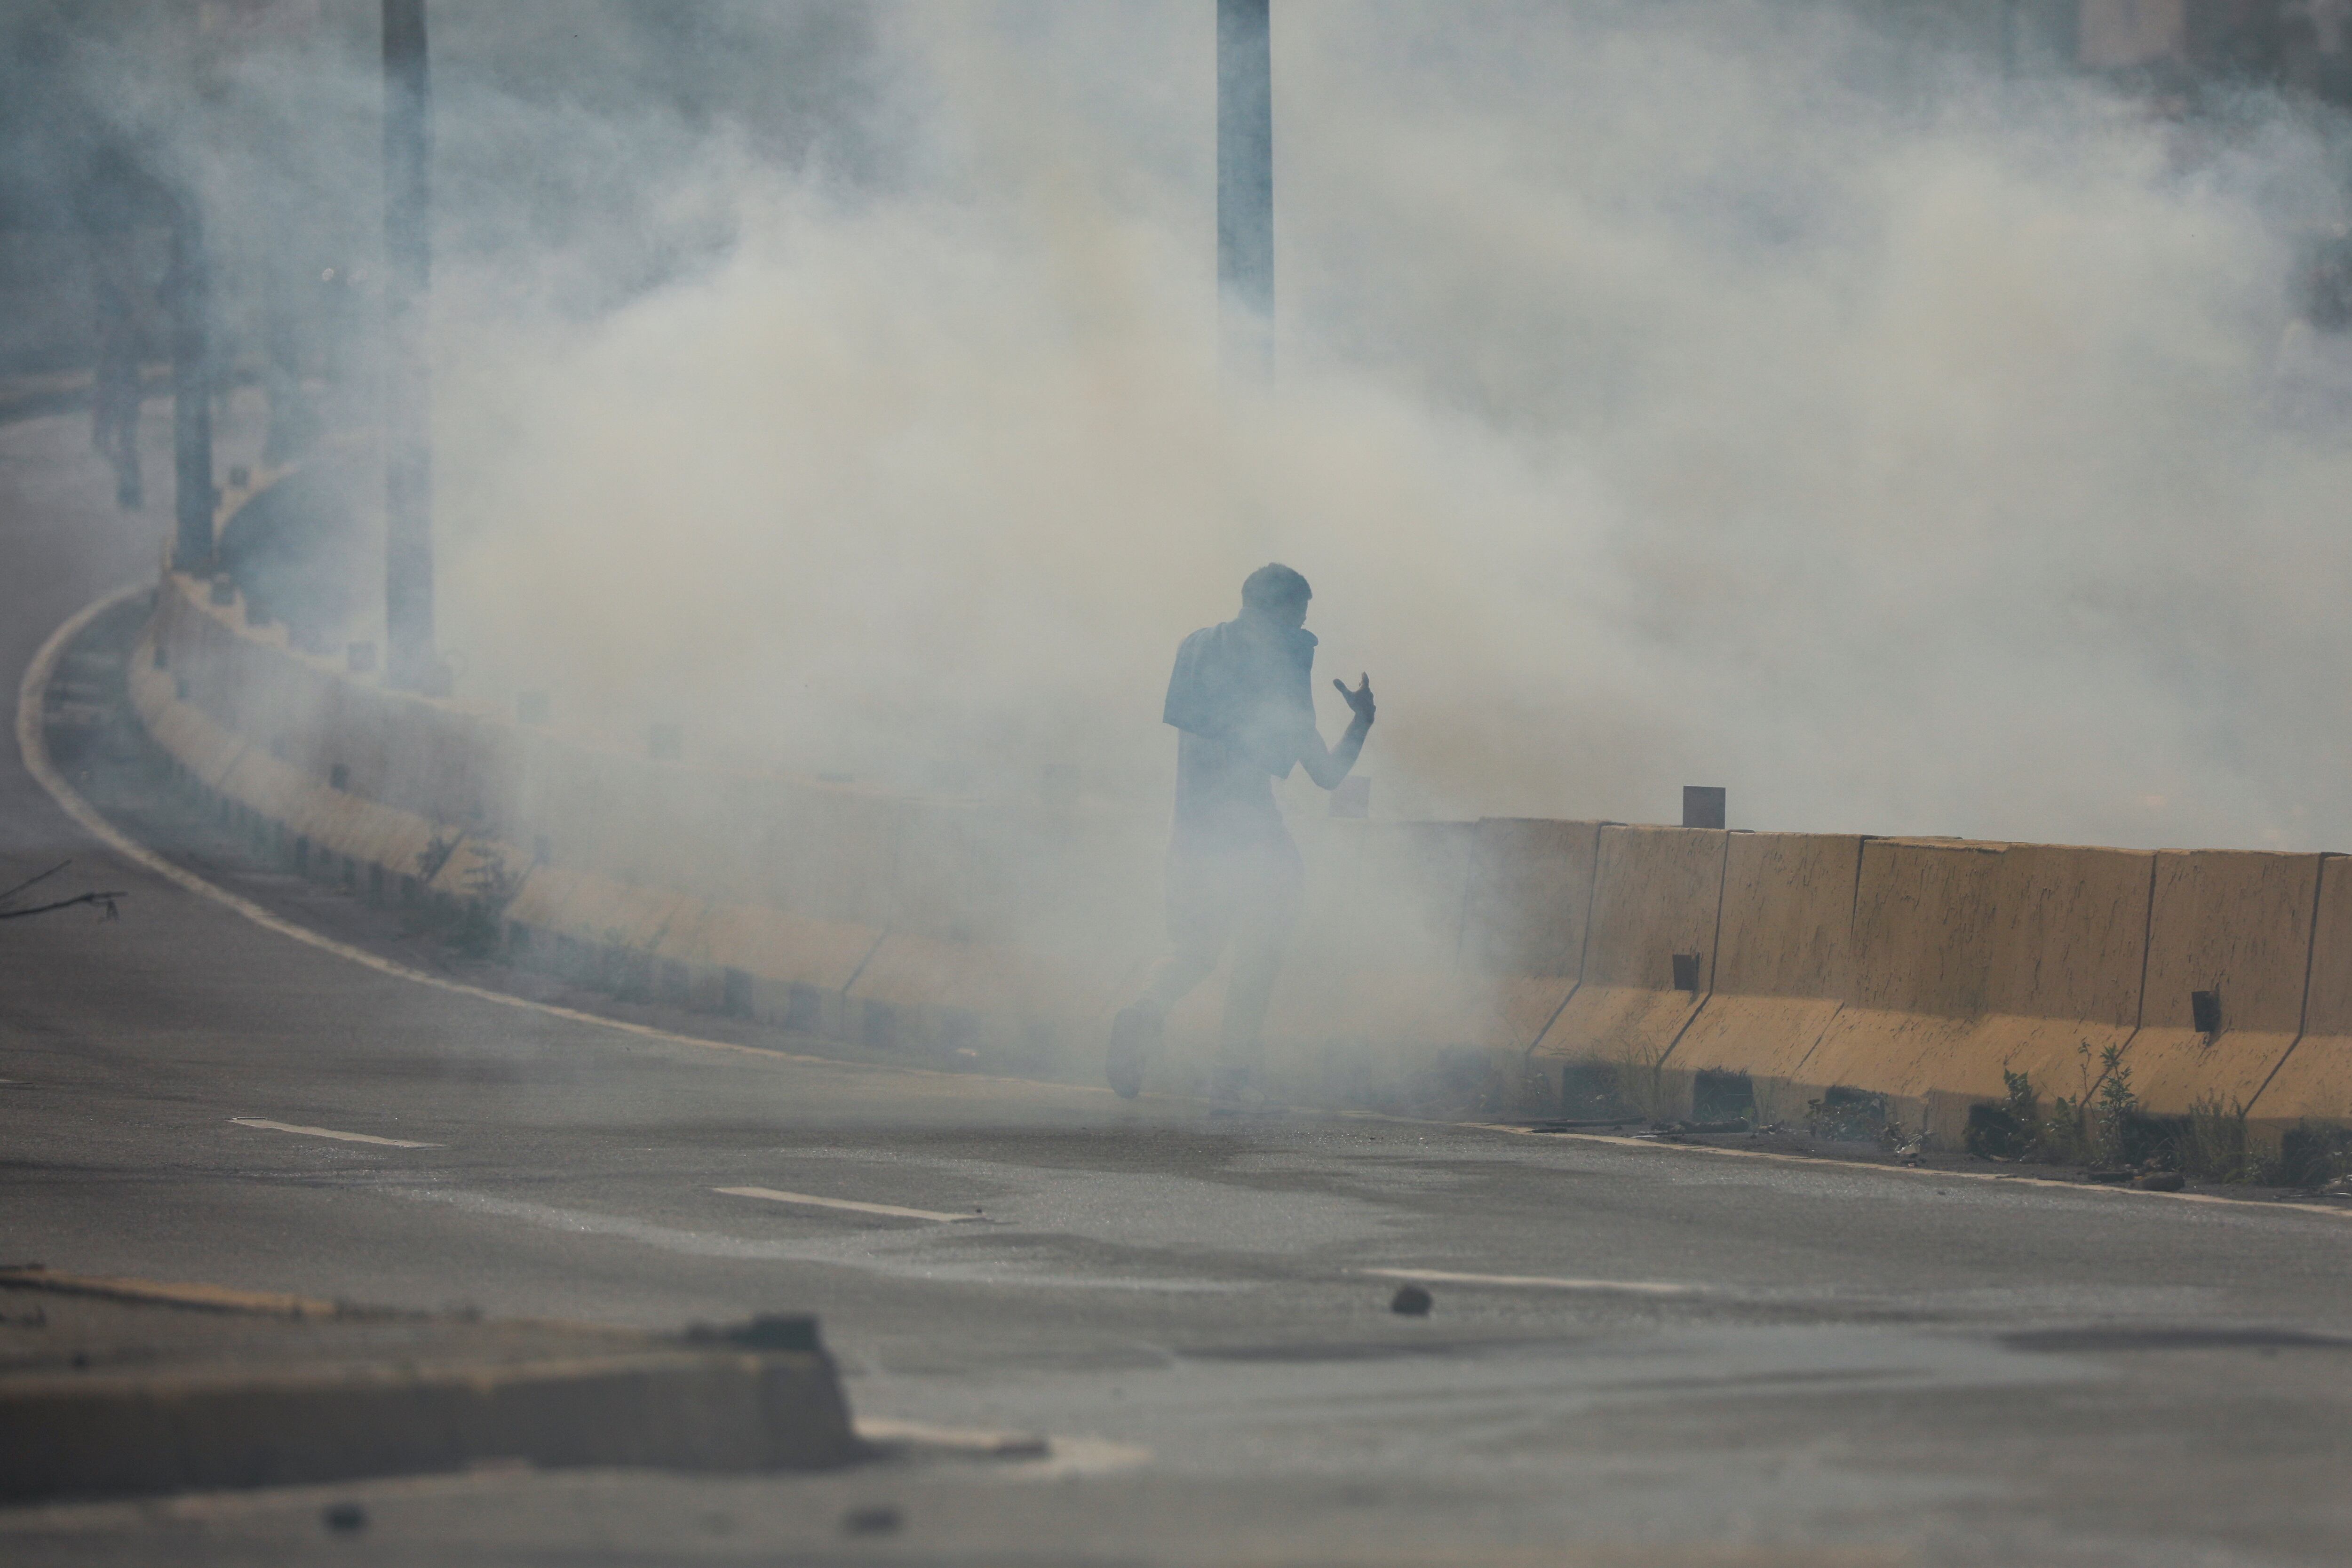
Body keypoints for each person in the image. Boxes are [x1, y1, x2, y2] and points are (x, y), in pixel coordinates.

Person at [1107, 563, 1375, 1108]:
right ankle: (1230, 1073)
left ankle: (1145, 1012)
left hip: (1188, 830)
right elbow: (1325, 776)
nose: (1302, 627)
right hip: (1250, 834)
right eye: (1298, 614)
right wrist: (1362, 721)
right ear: (1279, 611)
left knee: (1194, 948)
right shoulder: (1280, 673)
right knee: (1263, 946)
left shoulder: (1195, 648)